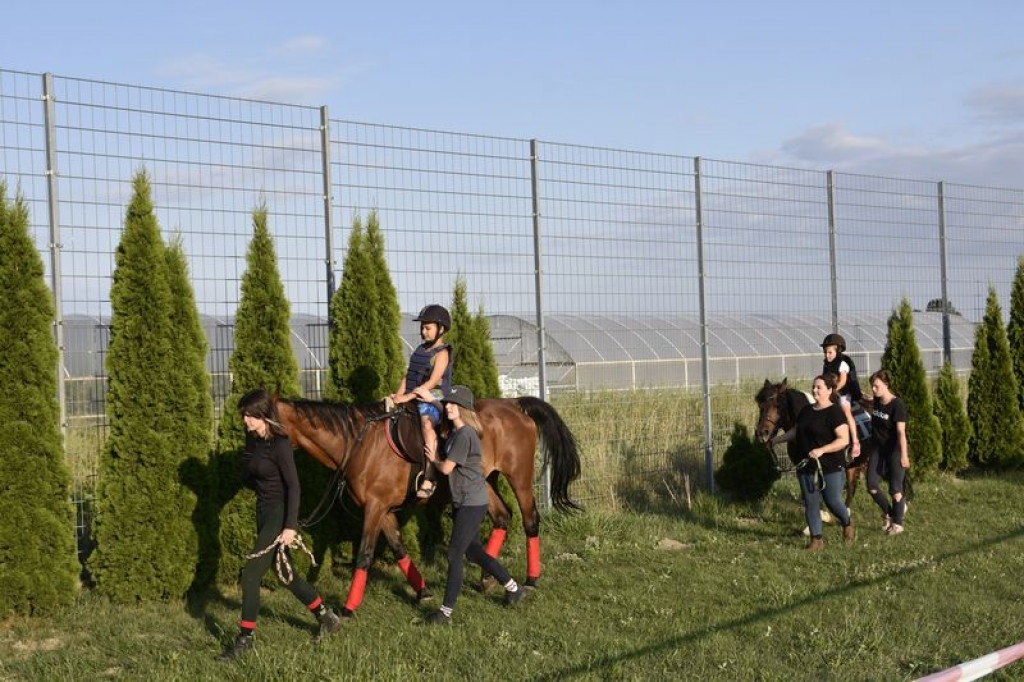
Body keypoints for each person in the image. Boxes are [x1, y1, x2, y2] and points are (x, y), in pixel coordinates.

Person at [217, 388, 340, 661]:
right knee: (286, 574)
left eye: (249, 415)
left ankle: (245, 639)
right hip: (262, 510)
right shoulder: (253, 440)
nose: (244, 420)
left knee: (250, 575)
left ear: (263, 415)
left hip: (278, 512)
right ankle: (326, 617)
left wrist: (290, 526)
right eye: (244, 415)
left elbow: (294, 486)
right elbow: (249, 474)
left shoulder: (281, 443)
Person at [423, 385, 526, 625]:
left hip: (472, 502)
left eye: (452, 404)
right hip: (464, 500)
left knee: (454, 554)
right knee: (473, 551)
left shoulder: (465, 434)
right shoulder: (458, 432)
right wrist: (433, 400)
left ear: (464, 409)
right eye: (447, 403)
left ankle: (445, 613)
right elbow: (443, 410)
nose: (448, 406)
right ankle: (513, 588)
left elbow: (447, 468)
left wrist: (433, 458)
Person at [772, 374, 855, 551]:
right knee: (810, 502)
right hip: (806, 465)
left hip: (830, 466)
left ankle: (846, 522)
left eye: (819, 387)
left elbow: (843, 439)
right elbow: (796, 431)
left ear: (830, 390)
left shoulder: (835, 412)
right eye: (813, 386)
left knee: (832, 501)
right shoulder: (806, 411)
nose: (814, 390)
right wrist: (776, 440)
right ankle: (817, 540)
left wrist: (822, 450)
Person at [390, 304, 453, 499]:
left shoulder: (442, 353)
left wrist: (407, 397)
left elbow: (433, 382)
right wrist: (396, 396)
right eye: (422, 328)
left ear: (440, 329)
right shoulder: (420, 349)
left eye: (427, 328)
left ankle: (430, 477)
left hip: (433, 396)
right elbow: (407, 376)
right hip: (414, 394)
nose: (423, 331)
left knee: (427, 425)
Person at [867, 370, 910, 535]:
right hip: (878, 450)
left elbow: (901, 433)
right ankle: (890, 513)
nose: (873, 388)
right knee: (871, 486)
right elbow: (868, 400)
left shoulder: (897, 405)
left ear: (886, 385)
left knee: (896, 490)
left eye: (876, 385)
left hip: (895, 450)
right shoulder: (877, 401)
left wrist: (904, 455)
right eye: (872, 385)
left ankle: (897, 524)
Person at [821, 333, 864, 460]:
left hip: (844, 394)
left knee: (845, 411)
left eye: (830, 352)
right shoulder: (826, 364)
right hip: (831, 394)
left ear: (838, 350)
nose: (827, 355)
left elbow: (843, 381)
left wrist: (832, 391)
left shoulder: (843, 362)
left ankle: (855, 442)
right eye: (825, 352)